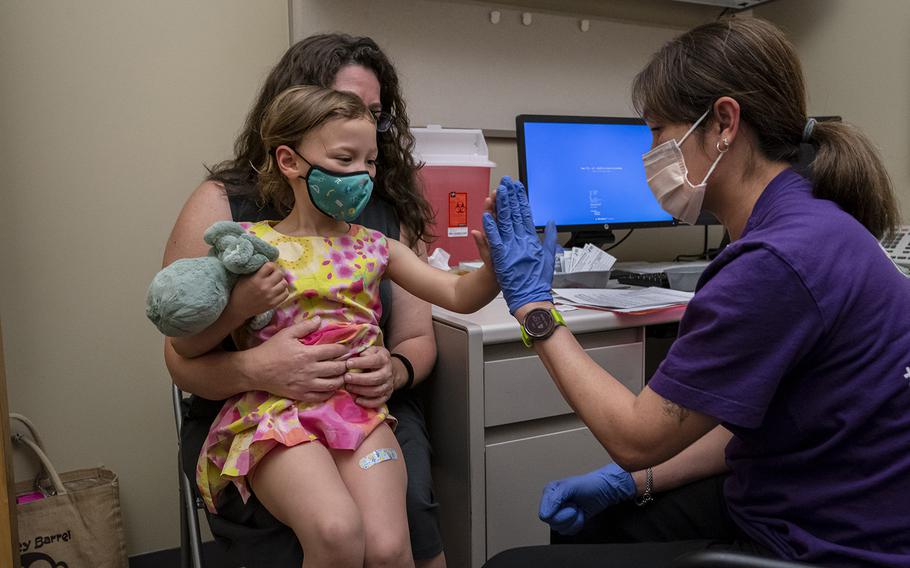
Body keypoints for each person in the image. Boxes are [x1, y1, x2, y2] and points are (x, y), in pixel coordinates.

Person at [482, 17, 909, 568]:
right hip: (823, 495)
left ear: (724, 123)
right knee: (599, 526)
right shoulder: (817, 223)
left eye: (658, 131)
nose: (650, 153)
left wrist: (533, 307)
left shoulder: (773, 261)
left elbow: (636, 437)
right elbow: (734, 419)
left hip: (829, 539)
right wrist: (632, 484)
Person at [167, 85, 497, 568]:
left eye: (370, 162)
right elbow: (185, 345)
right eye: (346, 159)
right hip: (275, 418)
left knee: (388, 548)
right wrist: (240, 307)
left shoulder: (376, 246)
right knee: (337, 532)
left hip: (358, 411)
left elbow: (456, 294)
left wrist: (494, 267)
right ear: (290, 161)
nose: (362, 175)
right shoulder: (248, 248)